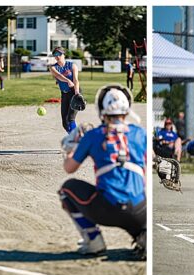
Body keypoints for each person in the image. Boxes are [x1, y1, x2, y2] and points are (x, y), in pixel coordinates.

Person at [58, 84, 146, 258]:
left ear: (102, 109)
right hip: (140, 211)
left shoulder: (94, 135)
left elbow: (69, 168)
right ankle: (143, 236)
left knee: (67, 189)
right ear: (127, 108)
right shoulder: (140, 133)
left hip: (107, 209)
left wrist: (71, 149)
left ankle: (94, 240)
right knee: (141, 196)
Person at [49, 47, 87, 133]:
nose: (57, 56)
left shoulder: (72, 65)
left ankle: (76, 140)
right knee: (65, 123)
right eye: (55, 55)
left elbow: (76, 80)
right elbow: (58, 76)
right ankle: (74, 136)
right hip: (65, 94)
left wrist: (77, 93)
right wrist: (67, 80)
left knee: (70, 118)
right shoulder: (53, 67)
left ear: (63, 55)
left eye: (59, 54)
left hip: (74, 92)